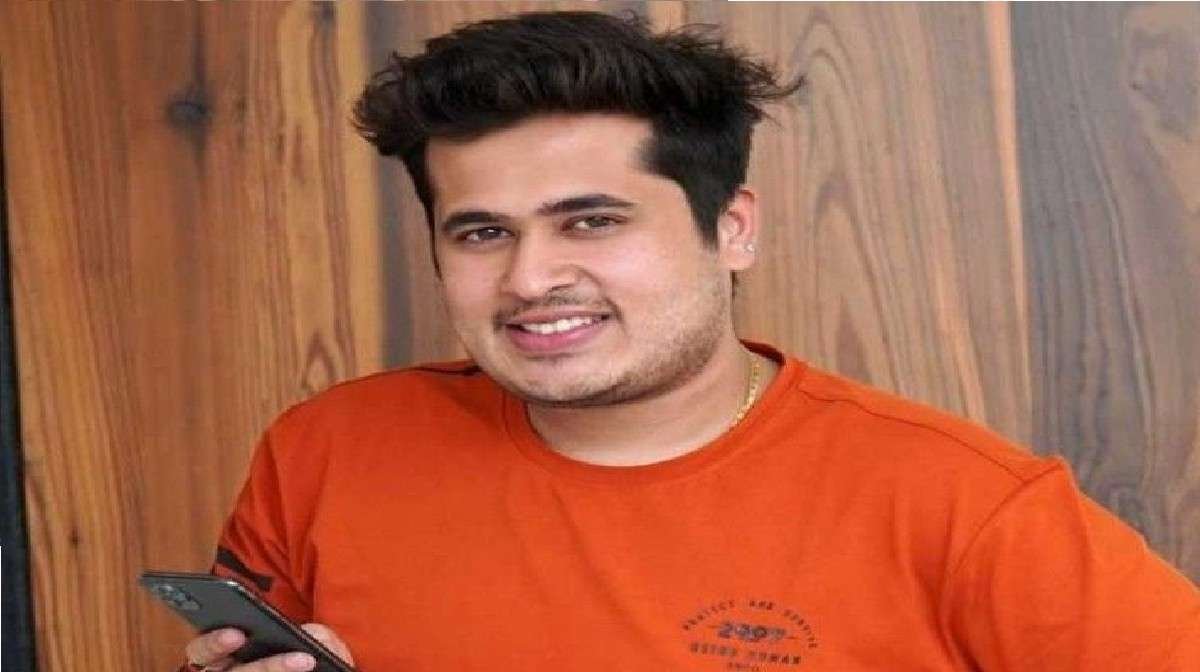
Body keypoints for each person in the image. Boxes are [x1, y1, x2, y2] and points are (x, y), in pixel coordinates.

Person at [180, 10, 1200, 672]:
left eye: (592, 221)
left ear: (733, 227)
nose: (530, 279)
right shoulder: (326, 451)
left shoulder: (971, 509)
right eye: (482, 233)